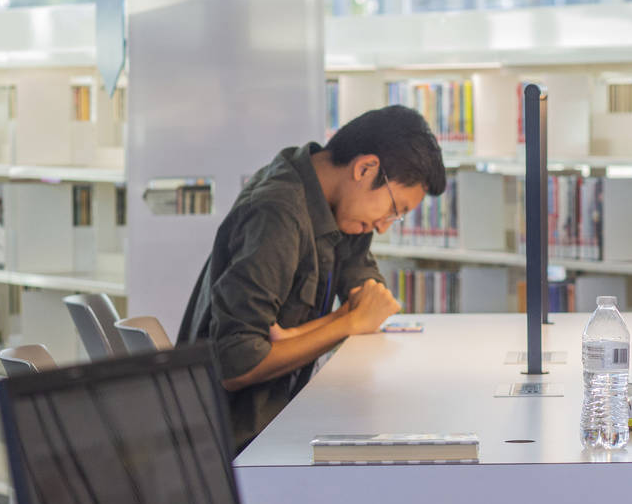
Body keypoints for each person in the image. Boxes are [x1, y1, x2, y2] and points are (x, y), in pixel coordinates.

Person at [178, 105, 447, 452]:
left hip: (285, 416)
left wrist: (313, 329)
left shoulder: (339, 203)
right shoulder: (278, 212)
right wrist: (347, 324)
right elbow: (235, 363)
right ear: (365, 168)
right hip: (241, 443)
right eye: (395, 210)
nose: (383, 225)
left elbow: (367, 293)